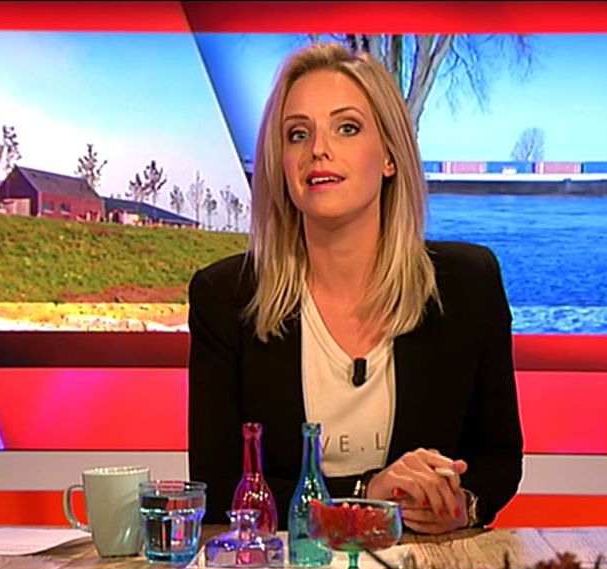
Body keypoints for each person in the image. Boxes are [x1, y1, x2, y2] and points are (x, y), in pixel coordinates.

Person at [188, 42, 522, 535]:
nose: (317, 149)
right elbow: (217, 488)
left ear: (389, 156)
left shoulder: (469, 284)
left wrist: (460, 504)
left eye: (347, 127)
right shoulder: (225, 298)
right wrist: (366, 496)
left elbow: (498, 459)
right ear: (281, 164)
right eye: (297, 134)